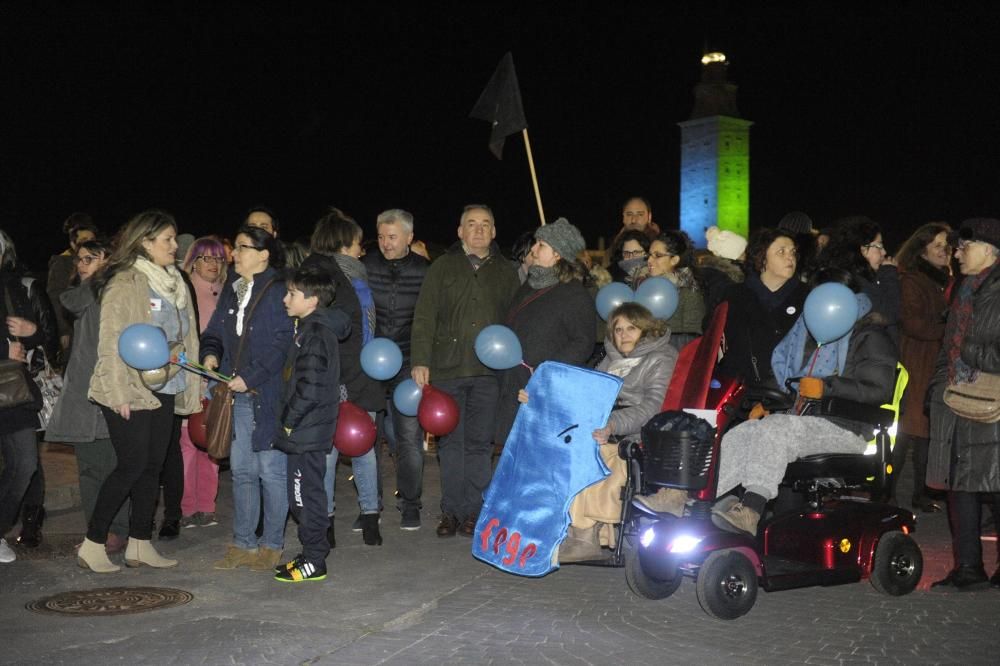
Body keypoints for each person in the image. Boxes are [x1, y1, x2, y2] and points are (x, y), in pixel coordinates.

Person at [711, 268, 897, 536]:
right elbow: (786, 377)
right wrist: (766, 401)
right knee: (741, 433)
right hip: (800, 420)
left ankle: (751, 510)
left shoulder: (870, 336)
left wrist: (828, 387)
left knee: (776, 430)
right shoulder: (806, 332)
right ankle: (703, 500)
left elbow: (879, 389)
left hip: (846, 427)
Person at [80, 210, 202, 573]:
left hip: (166, 383)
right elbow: (111, 341)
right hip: (128, 387)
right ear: (145, 242)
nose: (174, 246)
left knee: (152, 467)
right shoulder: (126, 281)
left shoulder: (176, 281)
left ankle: (140, 543)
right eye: (166, 239)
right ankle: (93, 542)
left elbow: (181, 334)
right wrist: (118, 394)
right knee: (131, 465)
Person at [410, 204, 519, 538]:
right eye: (471, 224)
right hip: (447, 369)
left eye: (486, 224)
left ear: (494, 231)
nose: (479, 230)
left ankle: (474, 512)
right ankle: (451, 512)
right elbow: (425, 314)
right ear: (459, 231)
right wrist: (420, 359)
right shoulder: (442, 267)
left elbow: (515, 321)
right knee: (450, 445)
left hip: (488, 374)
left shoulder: (507, 271)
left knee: (478, 444)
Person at [548, 302, 677, 561]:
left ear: (647, 330)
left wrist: (613, 424)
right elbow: (585, 395)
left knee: (593, 456)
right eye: (618, 329)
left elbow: (652, 407)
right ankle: (581, 532)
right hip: (603, 429)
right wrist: (541, 398)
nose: (624, 335)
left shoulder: (661, 358)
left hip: (639, 434)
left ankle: (585, 536)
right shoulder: (610, 360)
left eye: (632, 328)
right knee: (563, 450)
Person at [203, 225, 293, 572]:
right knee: (241, 471)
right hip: (235, 395)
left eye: (242, 248)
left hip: (268, 395)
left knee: (270, 471)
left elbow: (281, 344)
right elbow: (214, 330)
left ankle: (272, 544)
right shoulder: (233, 288)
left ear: (263, 254)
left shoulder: (279, 289)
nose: (234, 254)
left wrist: (250, 377)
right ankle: (243, 543)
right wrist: (211, 353)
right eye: (235, 247)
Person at [927, 218, 1000, 590]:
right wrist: (937, 387)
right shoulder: (963, 289)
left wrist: (966, 350)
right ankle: (968, 568)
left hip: (994, 403)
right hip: (957, 398)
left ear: (989, 250)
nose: (957, 252)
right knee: (960, 486)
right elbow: (946, 346)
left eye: (964, 246)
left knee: (995, 485)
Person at [46, 239, 130, 554]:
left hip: (110, 390)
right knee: (89, 470)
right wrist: (97, 275)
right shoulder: (83, 294)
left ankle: (116, 528)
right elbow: (70, 300)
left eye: (90, 258)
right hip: (83, 395)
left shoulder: (115, 292)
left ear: (108, 260)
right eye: (79, 259)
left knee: (114, 466)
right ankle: (97, 529)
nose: (82, 264)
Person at [273, 267, 350, 582]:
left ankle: (315, 559)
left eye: (292, 294)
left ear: (312, 300)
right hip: (308, 429)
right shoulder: (308, 328)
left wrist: (289, 421)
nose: (285, 299)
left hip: (306, 429)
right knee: (305, 494)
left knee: (306, 496)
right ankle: (310, 554)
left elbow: (312, 387)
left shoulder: (315, 334)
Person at [494, 218, 596, 447]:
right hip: (514, 385)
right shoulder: (528, 286)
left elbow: (583, 342)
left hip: (546, 391)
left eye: (541, 244)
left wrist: (546, 372)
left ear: (558, 254)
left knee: (539, 453)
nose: (533, 248)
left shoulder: (573, 294)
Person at [363, 209, 430, 530]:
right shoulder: (365, 268)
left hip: (408, 366)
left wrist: (422, 360)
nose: (385, 243)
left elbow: (429, 322)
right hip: (370, 365)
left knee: (408, 438)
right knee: (367, 439)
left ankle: (411, 503)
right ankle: (369, 506)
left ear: (409, 238)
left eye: (392, 237)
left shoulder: (425, 271)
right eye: (380, 237)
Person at [321, 210, 382, 546]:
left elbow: (369, 326)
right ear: (344, 244)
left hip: (367, 374)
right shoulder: (327, 276)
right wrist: (340, 380)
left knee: (365, 448)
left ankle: (370, 516)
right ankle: (325, 520)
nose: (363, 248)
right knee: (328, 451)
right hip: (338, 376)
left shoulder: (360, 275)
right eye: (359, 242)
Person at [0, 230, 54, 564]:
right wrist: (5, 348)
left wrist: (32, 333)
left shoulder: (16, 285)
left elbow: (45, 335)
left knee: (25, 464)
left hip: (12, 389)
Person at [893, 223, 952, 512]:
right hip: (915, 361)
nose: (945, 251)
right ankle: (887, 493)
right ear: (923, 249)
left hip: (932, 362)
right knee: (906, 431)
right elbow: (913, 323)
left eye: (947, 246)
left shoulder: (941, 281)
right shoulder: (913, 280)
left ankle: (921, 492)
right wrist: (949, 327)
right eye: (939, 245)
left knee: (925, 430)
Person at [177, 237, 228, 528]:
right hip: (190, 377)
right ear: (194, 261)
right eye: (206, 258)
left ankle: (207, 505)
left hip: (217, 381)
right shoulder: (185, 292)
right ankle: (186, 507)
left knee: (212, 442)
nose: (212, 264)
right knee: (187, 444)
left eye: (218, 259)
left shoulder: (225, 293)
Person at [717, 228, 809, 387]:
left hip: (786, 390)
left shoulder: (807, 296)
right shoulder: (735, 295)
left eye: (793, 252)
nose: (790, 257)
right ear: (762, 257)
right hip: (740, 390)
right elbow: (718, 341)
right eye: (781, 252)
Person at [820, 216, 900, 343]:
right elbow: (891, 313)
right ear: (862, 249)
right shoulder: (855, 284)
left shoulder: (859, 277)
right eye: (878, 246)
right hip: (869, 358)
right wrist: (888, 274)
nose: (884, 252)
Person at [640, 230, 705, 350]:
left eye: (658, 256)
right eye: (649, 255)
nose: (649, 260)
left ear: (674, 259)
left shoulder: (688, 292)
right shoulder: (643, 289)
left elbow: (693, 342)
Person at [47, 212, 99, 354]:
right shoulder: (62, 262)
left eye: (91, 239)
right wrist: (64, 331)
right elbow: (55, 296)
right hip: (72, 328)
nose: (88, 242)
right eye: (83, 239)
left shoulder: (101, 260)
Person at [699, 225, 747, 328]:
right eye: (743, 254)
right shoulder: (723, 281)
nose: (747, 257)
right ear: (733, 258)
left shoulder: (713, 274)